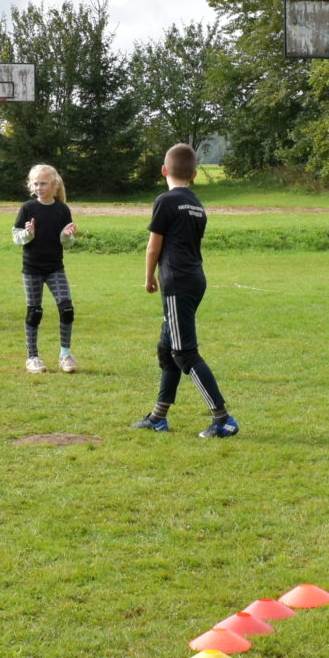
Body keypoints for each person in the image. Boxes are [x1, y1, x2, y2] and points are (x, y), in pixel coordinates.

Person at [133, 143, 237, 438]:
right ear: (193, 174)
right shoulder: (196, 204)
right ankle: (158, 417)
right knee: (167, 349)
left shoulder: (165, 201)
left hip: (177, 282)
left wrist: (149, 277)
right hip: (194, 278)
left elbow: (154, 245)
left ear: (164, 170)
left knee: (183, 352)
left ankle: (223, 419)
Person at [14, 163, 79, 374]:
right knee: (35, 312)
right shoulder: (27, 208)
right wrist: (28, 233)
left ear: (54, 184)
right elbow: (16, 238)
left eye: (44, 183)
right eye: (36, 184)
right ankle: (32, 357)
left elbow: (67, 244)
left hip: (55, 268)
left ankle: (65, 355)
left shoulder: (62, 209)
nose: (40, 187)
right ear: (31, 186)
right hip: (32, 268)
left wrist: (67, 237)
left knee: (67, 308)